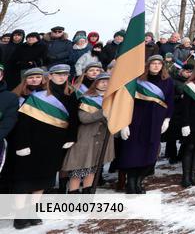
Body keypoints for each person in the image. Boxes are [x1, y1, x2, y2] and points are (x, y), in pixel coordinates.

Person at [1, 66, 79, 229]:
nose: (61, 77)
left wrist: (71, 137)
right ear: (50, 76)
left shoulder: (69, 95)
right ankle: (20, 215)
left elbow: (73, 118)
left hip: (53, 145)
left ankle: (32, 212)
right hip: (30, 145)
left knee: (43, 181)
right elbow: (22, 123)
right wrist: (22, 144)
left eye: (65, 74)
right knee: (24, 181)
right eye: (58, 74)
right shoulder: (35, 97)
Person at [118, 55, 174, 194]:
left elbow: (170, 101)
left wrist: (167, 119)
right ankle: (131, 183)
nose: (156, 66)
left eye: (159, 63)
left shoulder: (167, 81)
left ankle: (139, 181)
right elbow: (126, 101)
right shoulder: (138, 80)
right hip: (136, 120)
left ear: (162, 66)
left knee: (150, 153)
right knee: (133, 152)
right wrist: (124, 123)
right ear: (148, 65)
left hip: (155, 122)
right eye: (153, 63)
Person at [62, 71, 113, 193]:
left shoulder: (112, 99)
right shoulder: (86, 98)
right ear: (96, 83)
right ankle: (73, 198)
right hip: (85, 139)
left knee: (92, 170)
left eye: (108, 82)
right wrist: (102, 113)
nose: (105, 84)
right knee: (77, 171)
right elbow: (84, 118)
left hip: (101, 139)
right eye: (102, 81)